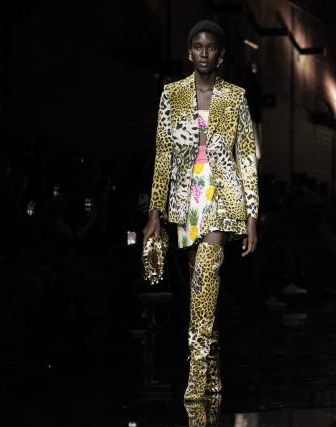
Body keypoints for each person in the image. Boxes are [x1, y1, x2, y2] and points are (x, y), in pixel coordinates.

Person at [142, 20, 259, 401]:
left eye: (210, 47)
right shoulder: (170, 95)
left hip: (223, 194)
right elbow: (162, 155)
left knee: (207, 271)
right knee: (199, 284)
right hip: (184, 197)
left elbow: (247, 158)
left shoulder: (235, 97)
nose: (204, 53)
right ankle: (212, 365)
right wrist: (154, 212)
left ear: (221, 55)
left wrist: (252, 216)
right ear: (189, 51)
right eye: (197, 46)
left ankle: (196, 371)